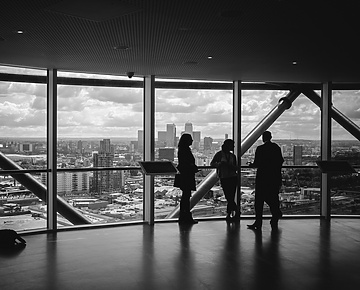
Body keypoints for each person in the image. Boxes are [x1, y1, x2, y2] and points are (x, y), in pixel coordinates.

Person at [247, 131, 284, 230]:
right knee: (273, 198)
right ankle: (275, 215)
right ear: (271, 137)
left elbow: (257, 163)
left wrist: (251, 165)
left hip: (262, 177)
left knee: (259, 201)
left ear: (263, 138)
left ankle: (258, 222)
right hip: (274, 177)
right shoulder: (276, 148)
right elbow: (280, 161)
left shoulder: (260, 149)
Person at [211, 139, 239, 222]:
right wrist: (220, 164)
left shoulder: (231, 156)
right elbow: (212, 163)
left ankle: (229, 214)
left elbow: (235, 167)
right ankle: (235, 211)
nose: (234, 147)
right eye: (232, 145)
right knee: (229, 197)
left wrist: (224, 165)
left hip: (230, 177)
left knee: (230, 197)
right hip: (226, 177)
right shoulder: (220, 155)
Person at [174, 133, 199, 224]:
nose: (192, 141)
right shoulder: (185, 150)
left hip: (184, 175)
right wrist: (193, 167)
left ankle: (183, 216)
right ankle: (186, 216)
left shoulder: (182, 149)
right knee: (186, 196)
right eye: (190, 139)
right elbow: (187, 162)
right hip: (187, 175)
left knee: (185, 196)